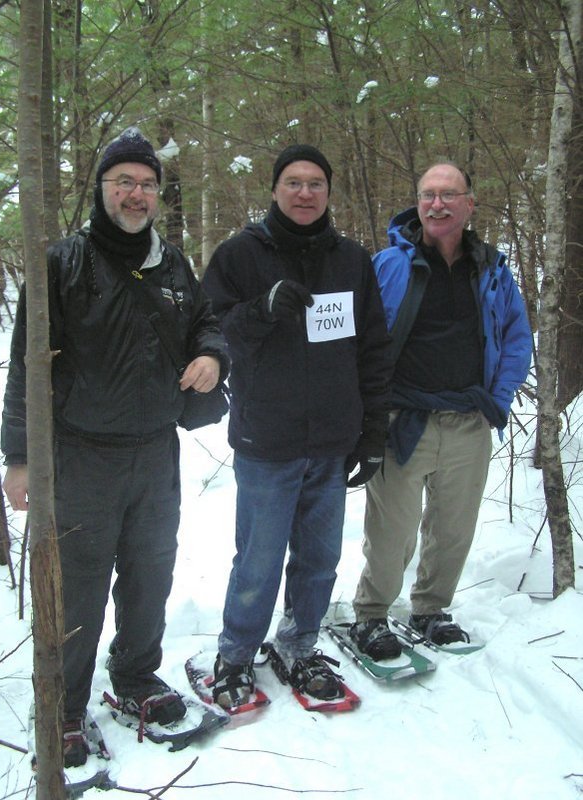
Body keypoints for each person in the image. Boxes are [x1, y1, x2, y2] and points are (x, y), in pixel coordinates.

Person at [1, 127, 229, 767]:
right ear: (100, 188)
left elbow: (204, 323)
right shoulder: (61, 264)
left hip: (155, 452)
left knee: (150, 574)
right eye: (123, 182)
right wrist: (20, 458)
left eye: (147, 184)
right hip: (83, 455)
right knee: (77, 585)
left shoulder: (173, 261)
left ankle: (134, 678)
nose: (136, 194)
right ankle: (65, 706)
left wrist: (212, 355)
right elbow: (27, 366)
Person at [202, 144, 392, 707]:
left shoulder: (353, 260)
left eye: (315, 183)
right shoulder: (239, 255)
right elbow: (210, 334)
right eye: (293, 182)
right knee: (258, 559)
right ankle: (235, 653)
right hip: (268, 440)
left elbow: (373, 349)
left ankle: (299, 642)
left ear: (329, 193)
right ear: (275, 189)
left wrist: (373, 432)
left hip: (332, 441)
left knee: (319, 557)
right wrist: (262, 308)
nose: (305, 192)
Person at [349, 162, 532, 659]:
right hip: (402, 419)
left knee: (454, 528)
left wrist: (497, 399)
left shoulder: (491, 268)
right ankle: (371, 615)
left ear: (469, 205)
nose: (437, 204)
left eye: (449, 195)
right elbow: (361, 337)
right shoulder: (387, 265)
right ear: (418, 202)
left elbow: (517, 337)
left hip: (469, 420)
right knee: (392, 531)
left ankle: (430, 608)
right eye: (429, 194)